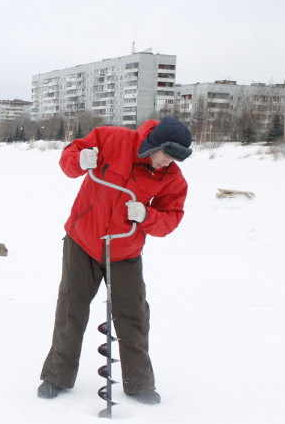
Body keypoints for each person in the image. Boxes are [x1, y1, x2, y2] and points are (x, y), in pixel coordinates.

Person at [37, 117, 193, 405]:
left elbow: (171, 218)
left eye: (174, 160)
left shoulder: (171, 178)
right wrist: (79, 159)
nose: (167, 163)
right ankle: (56, 376)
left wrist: (147, 216)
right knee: (71, 308)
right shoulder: (111, 139)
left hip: (125, 250)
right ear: (156, 144)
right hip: (83, 240)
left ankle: (139, 382)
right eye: (166, 155)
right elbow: (69, 159)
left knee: (133, 316)